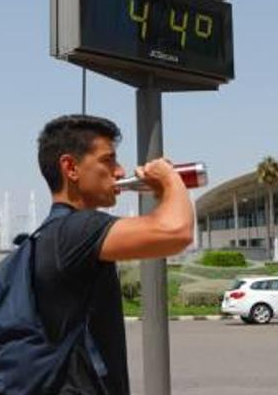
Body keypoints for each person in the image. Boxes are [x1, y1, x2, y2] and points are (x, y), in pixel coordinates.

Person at [33, 114, 194, 394]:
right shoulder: (77, 229)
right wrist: (169, 179)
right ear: (70, 167)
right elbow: (177, 232)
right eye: (108, 161)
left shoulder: (47, 237)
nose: (120, 172)